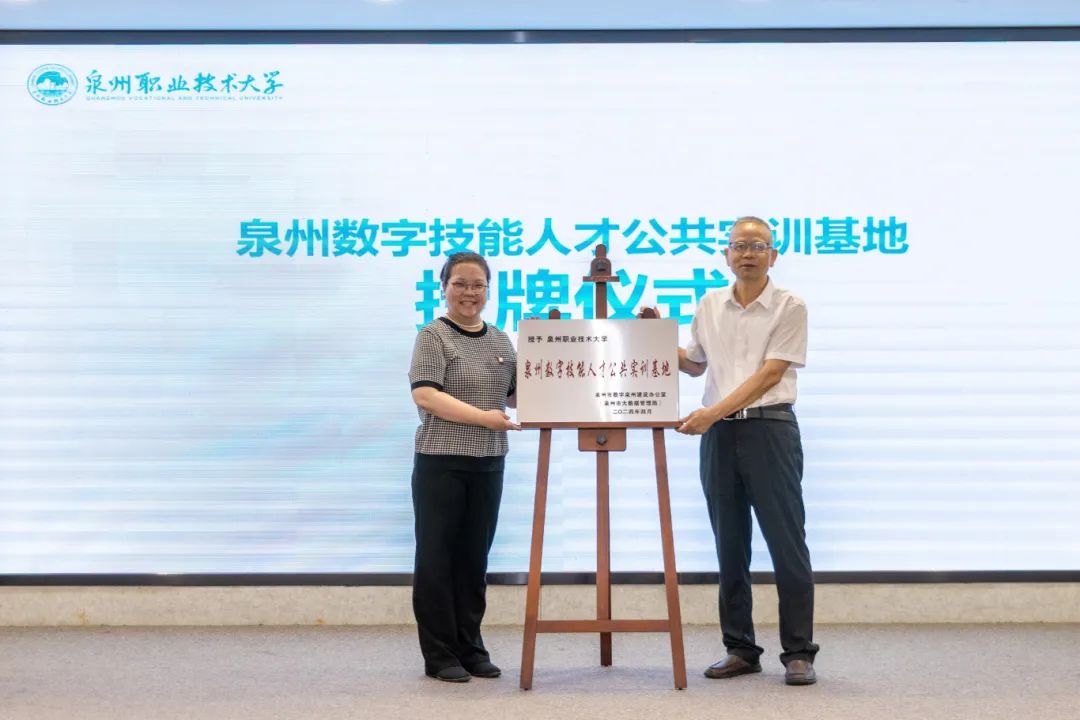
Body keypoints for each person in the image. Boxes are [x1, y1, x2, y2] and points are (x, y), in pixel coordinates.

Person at [676, 216, 820, 686]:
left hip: (769, 429)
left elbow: (769, 375)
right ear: (726, 255)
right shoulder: (709, 304)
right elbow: (695, 364)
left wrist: (711, 413)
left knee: (786, 542)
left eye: (758, 246)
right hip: (719, 436)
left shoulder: (789, 305)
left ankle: (798, 652)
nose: (748, 254)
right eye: (739, 245)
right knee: (729, 544)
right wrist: (654, 338)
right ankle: (740, 649)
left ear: (773, 255)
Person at [408, 251, 519, 683]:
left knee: (474, 561)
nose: (469, 293)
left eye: (478, 285)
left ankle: (471, 648)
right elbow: (426, 396)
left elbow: (515, 396)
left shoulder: (501, 340)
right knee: (437, 560)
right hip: (442, 462)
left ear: (488, 290)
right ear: (444, 288)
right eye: (460, 284)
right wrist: (484, 417)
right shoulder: (433, 335)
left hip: (489, 462)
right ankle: (439, 655)